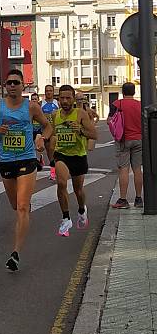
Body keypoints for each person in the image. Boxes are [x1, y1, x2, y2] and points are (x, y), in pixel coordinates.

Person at [0, 69, 52, 271]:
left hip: (27, 159)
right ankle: (13, 202)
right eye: (9, 83)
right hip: (6, 161)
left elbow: (47, 126)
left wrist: (42, 138)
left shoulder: (31, 107)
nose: (12, 86)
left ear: (23, 85)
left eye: (16, 82)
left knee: (22, 207)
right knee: (15, 205)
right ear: (5, 86)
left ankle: (16, 253)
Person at [48, 85, 97, 237]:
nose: (64, 101)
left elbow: (94, 135)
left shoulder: (80, 114)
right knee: (61, 183)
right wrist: (41, 138)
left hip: (78, 156)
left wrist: (80, 130)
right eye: (62, 98)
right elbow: (50, 132)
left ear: (73, 99)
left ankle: (82, 209)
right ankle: (66, 217)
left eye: (68, 98)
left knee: (78, 190)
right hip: (61, 155)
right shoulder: (55, 115)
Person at [108, 82, 143, 209]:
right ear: (134, 92)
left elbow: (109, 121)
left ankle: (123, 200)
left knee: (124, 169)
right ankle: (139, 199)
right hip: (138, 139)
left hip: (123, 139)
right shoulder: (140, 104)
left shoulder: (117, 104)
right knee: (137, 169)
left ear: (123, 92)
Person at [41, 85, 60, 180]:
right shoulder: (41, 103)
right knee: (49, 151)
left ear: (53, 92)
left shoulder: (57, 103)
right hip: (45, 131)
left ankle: (57, 169)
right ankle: (53, 170)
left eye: (50, 90)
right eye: (47, 90)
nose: (48, 92)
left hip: (55, 132)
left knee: (54, 149)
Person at [31, 93, 44, 171]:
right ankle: (36, 160)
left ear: (38, 100)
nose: (34, 100)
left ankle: (39, 159)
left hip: (39, 130)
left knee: (38, 145)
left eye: (35, 99)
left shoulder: (40, 108)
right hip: (31, 130)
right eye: (33, 99)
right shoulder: (29, 109)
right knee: (31, 146)